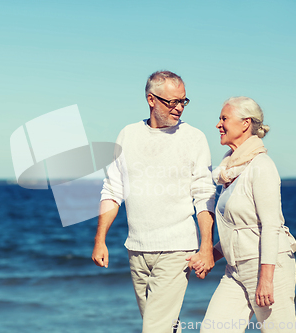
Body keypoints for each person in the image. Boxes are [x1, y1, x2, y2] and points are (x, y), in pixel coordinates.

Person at [92, 70, 216, 333]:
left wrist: (206, 247)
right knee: (164, 325)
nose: (179, 108)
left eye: (183, 101)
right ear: (151, 99)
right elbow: (113, 189)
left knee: (154, 328)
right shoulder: (128, 135)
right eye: (172, 102)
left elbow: (204, 195)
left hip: (177, 249)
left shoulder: (194, 138)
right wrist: (100, 240)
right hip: (137, 249)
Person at [191, 97, 296, 332]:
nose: (218, 125)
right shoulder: (229, 168)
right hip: (235, 271)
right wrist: (210, 255)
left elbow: (271, 226)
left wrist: (266, 279)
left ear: (245, 123)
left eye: (224, 118)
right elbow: (238, 231)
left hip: (269, 267)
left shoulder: (261, 165)